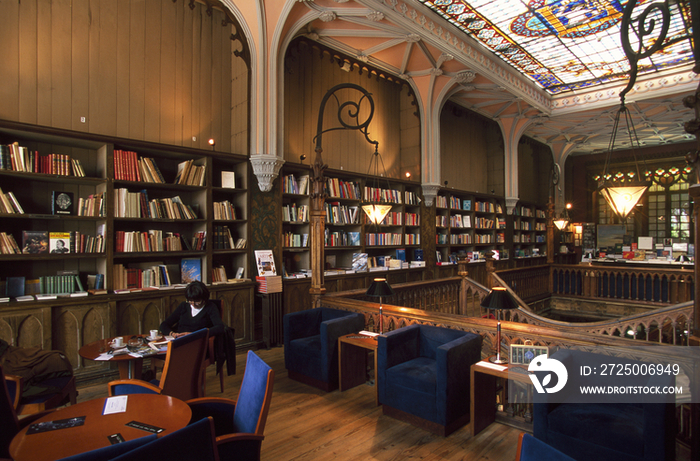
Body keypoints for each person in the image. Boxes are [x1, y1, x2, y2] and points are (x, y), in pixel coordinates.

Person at [159, 281, 224, 338]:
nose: (193, 304)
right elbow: (164, 324)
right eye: (190, 301)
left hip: (196, 341)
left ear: (204, 299)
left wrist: (194, 334)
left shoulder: (210, 307)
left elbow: (219, 327)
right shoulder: (184, 305)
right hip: (178, 339)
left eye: (197, 301)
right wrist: (172, 334)